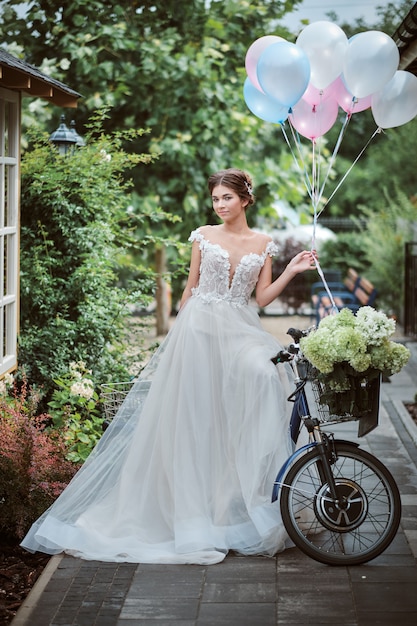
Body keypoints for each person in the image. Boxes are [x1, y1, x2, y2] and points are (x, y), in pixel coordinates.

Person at [21, 168, 317, 565]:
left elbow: (261, 298)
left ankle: (251, 492)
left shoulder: (263, 243)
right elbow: (190, 288)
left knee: (266, 376)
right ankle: (194, 512)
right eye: (215, 198)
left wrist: (291, 270)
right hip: (198, 331)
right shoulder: (203, 235)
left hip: (240, 331)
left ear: (245, 199)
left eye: (227, 197)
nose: (220, 204)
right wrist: (176, 342)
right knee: (196, 420)